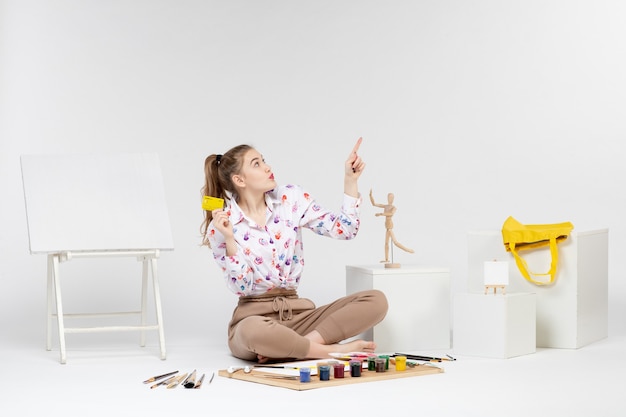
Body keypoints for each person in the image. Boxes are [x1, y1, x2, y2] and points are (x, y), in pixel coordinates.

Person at [200, 138, 388, 363]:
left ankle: (296, 347)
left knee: (376, 300)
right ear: (239, 179)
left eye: (264, 160)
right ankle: (329, 351)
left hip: (301, 317)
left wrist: (350, 180)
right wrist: (230, 238)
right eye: (256, 164)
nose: (268, 167)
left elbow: (345, 230)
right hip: (254, 317)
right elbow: (242, 286)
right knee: (253, 331)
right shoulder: (222, 225)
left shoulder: (291, 199)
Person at [369, 190, 415, 264]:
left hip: (390, 226)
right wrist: (371, 196)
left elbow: (390, 213)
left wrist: (381, 214)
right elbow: (374, 204)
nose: (390, 199)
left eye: (391, 197)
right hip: (386, 227)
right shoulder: (385, 206)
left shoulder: (394, 207)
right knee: (386, 243)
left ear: (393, 199)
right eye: (388, 197)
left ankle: (408, 250)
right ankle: (387, 259)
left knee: (395, 242)